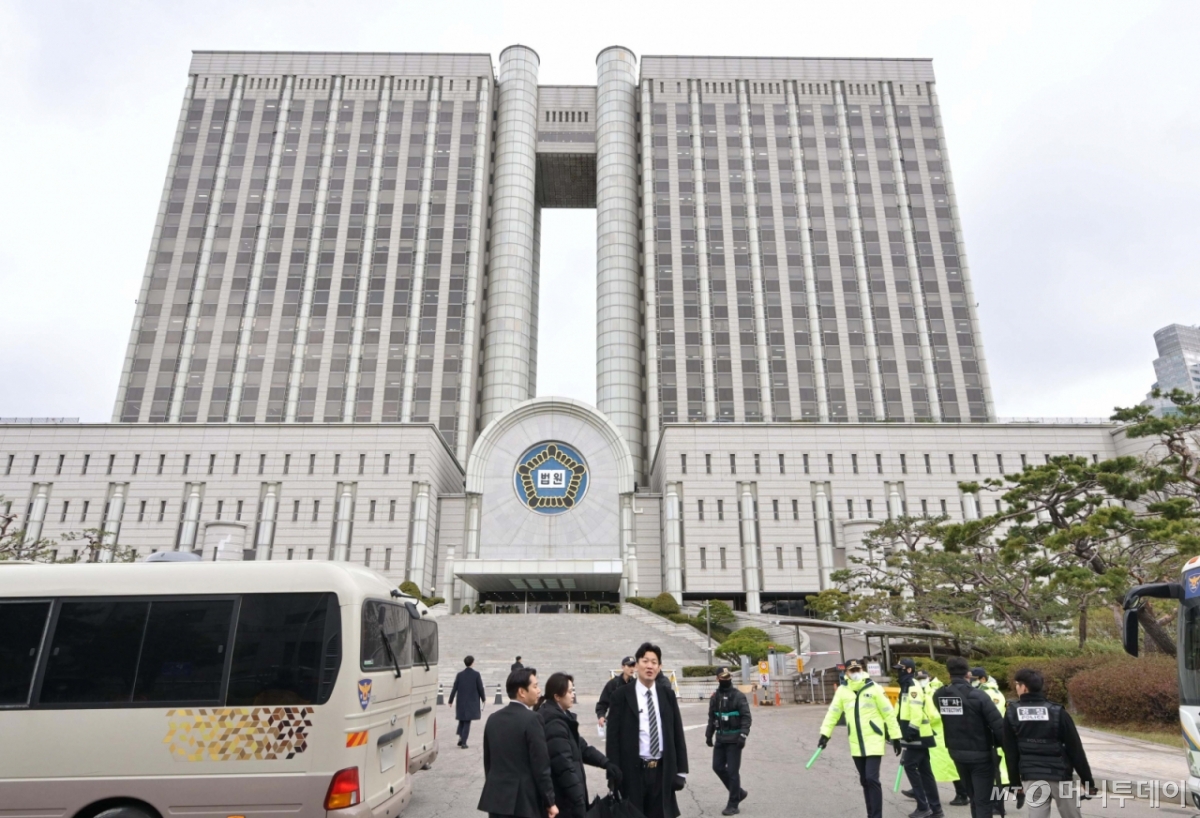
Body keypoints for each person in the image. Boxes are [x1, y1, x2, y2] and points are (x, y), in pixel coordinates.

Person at [606, 641, 690, 818]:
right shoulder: (621, 696)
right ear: (636, 665)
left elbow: (677, 733)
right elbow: (612, 738)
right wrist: (612, 774)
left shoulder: (667, 695)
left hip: (661, 771)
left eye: (654, 662)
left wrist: (681, 770)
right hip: (632, 771)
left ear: (659, 667)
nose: (649, 666)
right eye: (645, 661)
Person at [1002, 668, 1095, 818]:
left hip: (1031, 776)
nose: (1016, 688)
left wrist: (1015, 783)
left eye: (1017, 684)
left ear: (1024, 687)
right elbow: (1075, 749)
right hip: (1060, 776)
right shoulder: (1058, 712)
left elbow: (1010, 752)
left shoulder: (1012, 713)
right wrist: (1087, 780)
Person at [818, 658, 903, 818]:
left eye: (858, 669)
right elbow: (833, 713)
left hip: (874, 740)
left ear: (862, 670)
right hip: (856, 742)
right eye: (852, 670)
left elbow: (888, 713)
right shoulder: (842, 691)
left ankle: (876, 816)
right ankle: (871, 814)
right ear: (846, 672)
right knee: (864, 780)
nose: (855, 673)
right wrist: (825, 734)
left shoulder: (874, 688)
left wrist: (896, 736)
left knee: (872, 778)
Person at [537, 672, 622, 818]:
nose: (573, 695)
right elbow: (564, 766)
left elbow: (582, 748)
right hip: (565, 801)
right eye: (570, 692)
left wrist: (606, 763)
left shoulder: (563, 718)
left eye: (573, 691)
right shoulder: (554, 724)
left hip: (569, 800)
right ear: (557, 697)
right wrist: (578, 800)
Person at [478, 667, 558, 818]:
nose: (539, 691)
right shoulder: (532, 719)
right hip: (523, 801)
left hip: (496, 799)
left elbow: (489, 762)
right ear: (522, 692)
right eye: (535, 686)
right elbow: (541, 765)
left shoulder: (493, 718)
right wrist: (550, 801)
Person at [933, 657, 1005, 818]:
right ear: (968, 674)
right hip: (981, 755)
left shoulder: (939, 695)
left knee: (973, 798)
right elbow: (999, 726)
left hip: (956, 753)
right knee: (983, 801)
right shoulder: (979, 696)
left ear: (948, 673)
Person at [898, 669, 944, 818]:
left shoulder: (912, 686)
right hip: (918, 734)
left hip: (917, 735)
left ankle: (923, 806)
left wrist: (911, 731)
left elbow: (916, 712)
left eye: (900, 670)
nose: (898, 673)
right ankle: (936, 809)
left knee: (910, 766)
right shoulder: (906, 686)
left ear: (908, 670)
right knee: (925, 772)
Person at [705, 667, 752, 815]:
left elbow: (746, 717)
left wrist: (743, 735)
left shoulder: (738, 696)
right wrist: (709, 735)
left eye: (728, 677)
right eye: (722, 677)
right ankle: (738, 792)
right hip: (720, 739)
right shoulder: (715, 697)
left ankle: (733, 804)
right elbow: (712, 717)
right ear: (717, 679)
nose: (726, 680)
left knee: (732, 772)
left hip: (734, 740)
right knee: (717, 767)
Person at [969, 667, 1010, 817]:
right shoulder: (985, 691)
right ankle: (996, 804)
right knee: (995, 775)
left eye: (973, 679)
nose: (970, 682)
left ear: (983, 679)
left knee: (997, 775)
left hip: (993, 738)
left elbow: (992, 717)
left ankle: (999, 805)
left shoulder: (990, 693)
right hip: (990, 738)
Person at [449, 654, 487, 748]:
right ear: (472, 663)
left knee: (462, 719)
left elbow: (454, 688)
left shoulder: (460, 675)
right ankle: (464, 742)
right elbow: (480, 688)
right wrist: (483, 698)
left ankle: (461, 738)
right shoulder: (476, 674)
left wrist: (451, 700)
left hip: (461, 701)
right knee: (467, 722)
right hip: (471, 701)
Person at [596, 656, 637, 727]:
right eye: (629, 666)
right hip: (615, 723)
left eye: (633, 666)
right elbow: (602, 703)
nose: (632, 669)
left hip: (632, 724)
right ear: (622, 667)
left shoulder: (637, 685)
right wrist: (601, 716)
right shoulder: (613, 684)